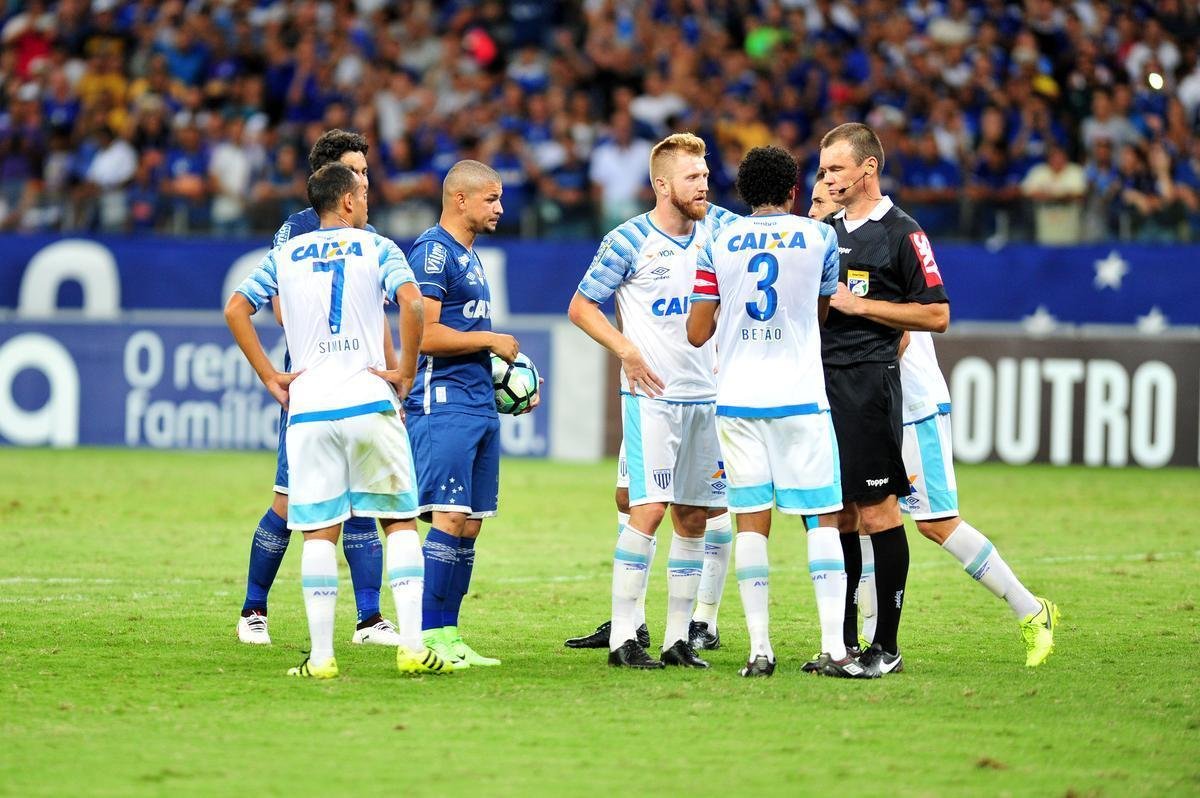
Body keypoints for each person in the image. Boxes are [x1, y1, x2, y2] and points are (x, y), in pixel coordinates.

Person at [806, 178, 1060, 667]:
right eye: (813, 202)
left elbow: (900, 339)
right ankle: (862, 643)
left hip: (912, 404)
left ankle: (1030, 609)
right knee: (858, 519)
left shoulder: (884, 243)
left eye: (823, 200)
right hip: (866, 406)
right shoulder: (832, 251)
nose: (816, 210)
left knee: (935, 523)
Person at [225, 162, 446, 678]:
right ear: (347, 201)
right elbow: (412, 304)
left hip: (309, 410)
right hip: (368, 400)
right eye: (363, 194)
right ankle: (413, 646)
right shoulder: (378, 246)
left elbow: (237, 309)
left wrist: (270, 376)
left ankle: (322, 658)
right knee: (399, 523)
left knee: (318, 533)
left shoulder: (283, 255)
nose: (367, 202)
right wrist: (405, 370)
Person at [686, 146, 873, 679]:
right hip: (800, 397)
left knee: (751, 523)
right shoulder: (820, 237)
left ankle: (760, 651)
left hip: (737, 399)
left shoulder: (717, 240)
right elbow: (819, 313)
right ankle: (835, 648)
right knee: (822, 520)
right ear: (793, 191)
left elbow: (697, 332)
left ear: (743, 194)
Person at [567, 132, 734, 669]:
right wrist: (626, 351)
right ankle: (623, 638)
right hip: (652, 398)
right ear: (662, 185)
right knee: (648, 509)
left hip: (709, 398)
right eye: (692, 177)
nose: (703, 184)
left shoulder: (724, 230)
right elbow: (581, 307)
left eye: (705, 175)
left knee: (694, 516)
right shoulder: (628, 240)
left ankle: (677, 639)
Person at [236, 130, 402, 648]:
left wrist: (392, 373)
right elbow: (279, 309)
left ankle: (369, 620)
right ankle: (253, 610)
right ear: (329, 178)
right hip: (314, 385)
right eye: (355, 172)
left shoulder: (367, 234)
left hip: (364, 386)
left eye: (367, 172)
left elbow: (377, 314)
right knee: (290, 502)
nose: (364, 181)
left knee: (362, 503)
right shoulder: (297, 230)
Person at [816, 122, 949, 677]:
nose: (828, 179)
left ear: (868, 167)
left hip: (869, 385)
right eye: (823, 170)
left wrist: (863, 306)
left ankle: (886, 647)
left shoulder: (903, 233)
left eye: (836, 169)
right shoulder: (823, 231)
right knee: (839, 513)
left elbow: (936, 314)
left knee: (878, 510)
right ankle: (844, 646)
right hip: (820, 384)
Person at [404, 160, 537, 669]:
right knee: (449, 516)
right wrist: (489, 340)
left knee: (472, 523)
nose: (500, 208)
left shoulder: (470, 254)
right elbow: (425, 335)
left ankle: (450, 634)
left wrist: (513, 385)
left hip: (478, 402)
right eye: (491, 199)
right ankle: (426, 637)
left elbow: (469, 335)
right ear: (460, 199)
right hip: (443, 402)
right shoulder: (433, 252)